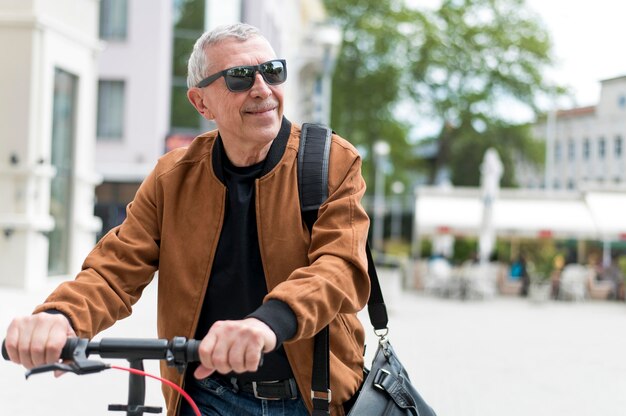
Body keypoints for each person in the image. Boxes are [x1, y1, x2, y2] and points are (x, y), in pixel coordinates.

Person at [4, 23, 371, 416]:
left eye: (273, 71)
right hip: (204, 397)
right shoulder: (171, 177)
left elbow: (341, 267)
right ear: (201, 103)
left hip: (313, 398)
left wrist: (268, 323)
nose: (263, 88)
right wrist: (61, 316)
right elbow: (113, 272)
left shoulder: (329, 160)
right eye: (240, 77)